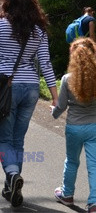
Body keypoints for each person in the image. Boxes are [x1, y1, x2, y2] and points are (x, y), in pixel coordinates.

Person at [0, 0, 58, 207]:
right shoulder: (38, 29)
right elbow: (45, 64)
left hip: (6, 87)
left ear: (7, 1)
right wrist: (55, 95)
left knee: (3, 138)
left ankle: (12, 175)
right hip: (31, 89)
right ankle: (10, 185)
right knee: (18, 139)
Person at [50, 38, 96, 212]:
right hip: (94, 127)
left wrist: (53, 112)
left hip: (74, 128)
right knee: (94, 164)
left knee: (72, 161)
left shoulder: (67, 79)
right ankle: (94, 203)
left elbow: (61, 106)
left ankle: (67, 195)